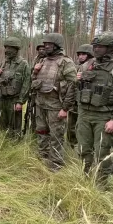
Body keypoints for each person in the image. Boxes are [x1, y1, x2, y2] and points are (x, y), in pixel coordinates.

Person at [76, 32, 113, 186]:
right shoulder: (88, 64)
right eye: (95, 46)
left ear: (111, 48)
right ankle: (85, 179)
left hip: (105, 116)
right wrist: (78, 80)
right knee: (83, 150)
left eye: (100, 46)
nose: (96, 49)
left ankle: (101, 185)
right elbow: (79, 89)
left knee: (102, 152)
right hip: (85, 114)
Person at [32, 33, 77, 169]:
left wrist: (65, 108)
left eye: (49, 45)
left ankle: (56, 164)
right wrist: (34, 72)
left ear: (57, 46)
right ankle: (43, 156)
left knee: (56, 136)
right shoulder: (42, 61)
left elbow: (73, 86)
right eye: (44, 45)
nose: (45, 47)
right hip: (41, 103)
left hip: (56, 106)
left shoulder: (65, 62)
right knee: (41, 131)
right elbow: (33, 82)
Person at [0, 37, 31, 139]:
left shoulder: (23, 64)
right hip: (3, 99)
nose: (7, 50)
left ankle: (16, 146)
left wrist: (20, 101)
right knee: (2, 123)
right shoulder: (4, 63)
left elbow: (26, 84)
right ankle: (3, 143)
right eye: (6, 47)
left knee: (15, 125)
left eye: (10, 48)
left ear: (16, 49)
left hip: (14, 100)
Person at [67, 44, 94, 149]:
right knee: (71, 126)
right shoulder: (77, 66)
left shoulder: (93, 65)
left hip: (86, 103)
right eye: (79, 54)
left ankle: (82, 148)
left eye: (84, 54)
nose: (80, 56)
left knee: (82, 128)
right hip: (74, 101)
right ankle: (71, 147)